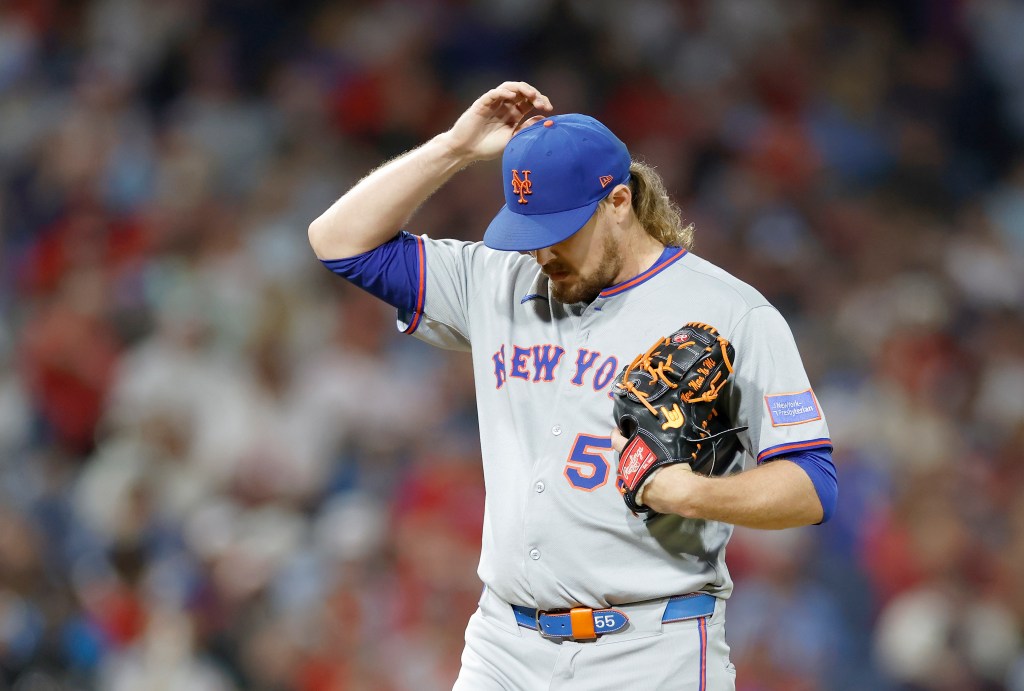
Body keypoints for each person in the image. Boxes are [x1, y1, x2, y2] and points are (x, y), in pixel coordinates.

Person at [308, 81, 838, 690]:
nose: (541, 252)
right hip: (504, 646)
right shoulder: (499, 280)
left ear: (618, 203)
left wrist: (689, 494)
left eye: (559, 230)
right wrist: (453, 148)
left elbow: (811, 484)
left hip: (648, 649)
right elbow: (339, 243)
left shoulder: (730, 314)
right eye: (528, 230)